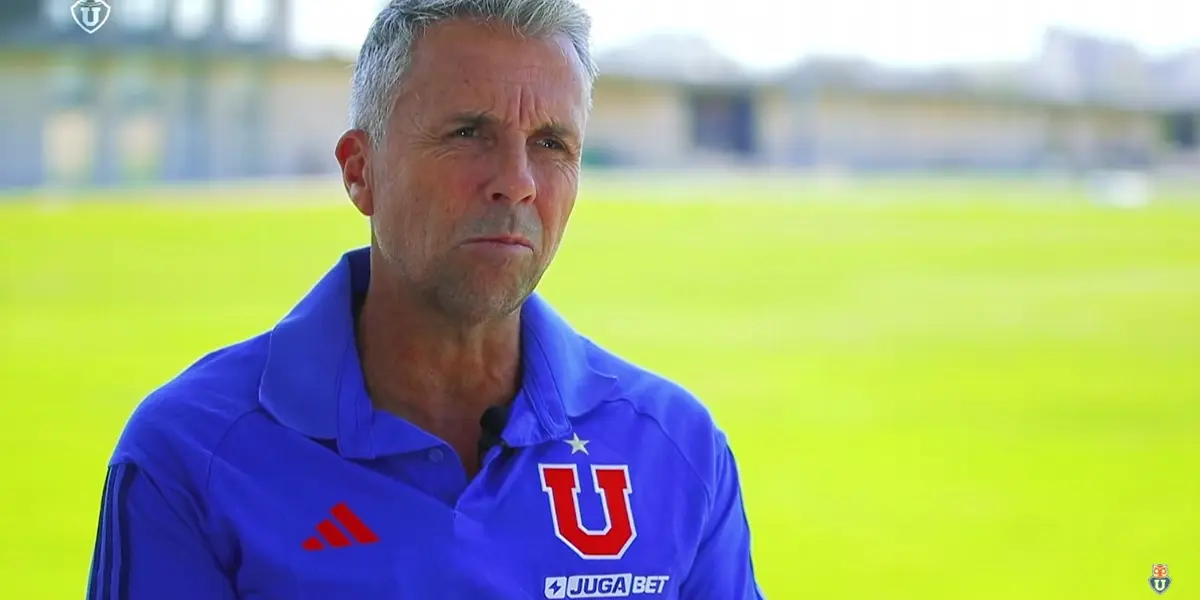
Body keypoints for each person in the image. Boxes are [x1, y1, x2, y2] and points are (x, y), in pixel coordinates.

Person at [85, 0, 764, 598]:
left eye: (551, 143)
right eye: (469, 134)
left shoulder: (675, 450)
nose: (517, 182)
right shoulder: (191, 453)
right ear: (360, 171)